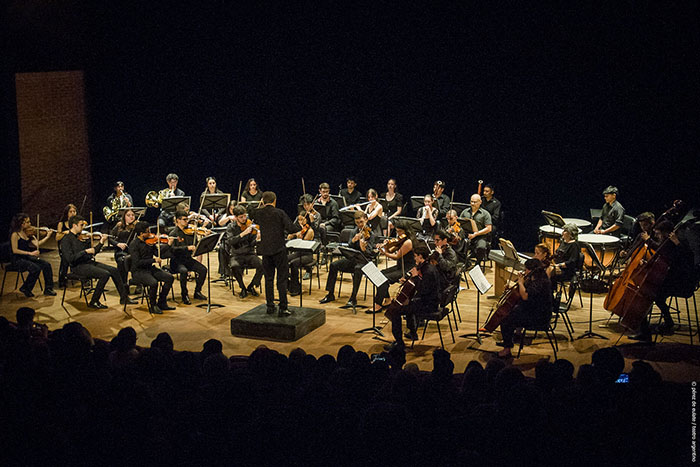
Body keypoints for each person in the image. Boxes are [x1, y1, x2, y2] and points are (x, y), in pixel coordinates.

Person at [630, 220, 696, 341]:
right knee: (656, 296)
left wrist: (675, 243)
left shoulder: (678, 245)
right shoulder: (673, 245)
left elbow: (675, 257)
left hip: (681, 284)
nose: (657, 236)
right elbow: (664, 258)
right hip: (674, 281)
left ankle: (645, 333)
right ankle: (667, 323)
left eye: (659, 234)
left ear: (666, 234)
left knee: (646, 295)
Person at [61, 215, 135, 308]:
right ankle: (94, 301)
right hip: (78, 267)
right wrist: (85, 251)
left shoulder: (80, 237)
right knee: (105, 274)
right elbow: (70, 259)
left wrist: (101, 242)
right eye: (81, 225)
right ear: (74, 225)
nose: (83, 228)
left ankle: (124, 298)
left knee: (114, 270)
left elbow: (93, 252)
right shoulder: (66, 240)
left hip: (88, 263)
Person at [384, 245, 441, 350]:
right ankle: (412, 333)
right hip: (428, 301)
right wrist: (407, 280)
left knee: (396, 311)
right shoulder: (425, 266)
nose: (414, 258)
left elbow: (423, 290)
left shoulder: (428, 271)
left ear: (420, 256)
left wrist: (414, 277)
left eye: (415, 256)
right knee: (408, 304)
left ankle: (399, 343)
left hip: (429, 305)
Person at [253, 191, 299, 316]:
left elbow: (252, 212)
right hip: (279, 250)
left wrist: (260, 205)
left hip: (266, 251)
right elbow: (291, 229)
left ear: (262, 201)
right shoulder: (279, 213)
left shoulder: (259, 213)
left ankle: (270, 306)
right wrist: (301, 223)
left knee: (268, 279)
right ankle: (283, 307)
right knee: (281, 279)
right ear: (275, 201)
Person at [496, 258, 553, 358]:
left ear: (531, 270)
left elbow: (525, 296)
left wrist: (521, 283)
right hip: (533, 311)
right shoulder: (537, 278)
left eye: (526, 269)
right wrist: (514, 286)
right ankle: (509, 340)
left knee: (505, 319)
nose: (524, 271)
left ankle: (507, 349)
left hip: (539, 317)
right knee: (510, 314)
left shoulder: (540, 282)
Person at [319, 211, 376, 308]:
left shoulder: (371, 234)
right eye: (357, 223)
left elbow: (370, 253)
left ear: (366, 220)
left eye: (361, 222)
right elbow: (350, 246)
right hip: (353, 259)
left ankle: (353, 298)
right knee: (333, 265)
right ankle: (330, 294)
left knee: (358, 269)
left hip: (365, 261)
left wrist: (363, 247)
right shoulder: (354, 231)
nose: (359, 225)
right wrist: (353, 241)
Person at [128, 221, 175, 314]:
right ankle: (153, 305)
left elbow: (158, 253)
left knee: (169, 278)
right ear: (141, 234)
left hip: (149, 269)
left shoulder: (149, 242)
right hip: (138, 271)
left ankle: (161, 302)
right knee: (154, 283)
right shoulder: (134, 244)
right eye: (147, 231)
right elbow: (137, 263)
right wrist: (153, 260)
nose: (150, 233)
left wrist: (168, 245)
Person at [371, 221, 415, 313]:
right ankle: (387, 300)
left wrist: (384, 253)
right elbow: (391, 251)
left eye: (400, 231)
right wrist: (386, 246)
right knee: (380, 274)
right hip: (400, 266)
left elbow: (396, 256)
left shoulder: (408, 242)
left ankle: (378, 304)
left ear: (406, 231)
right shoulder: (401, 240)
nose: (398, 234)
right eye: (397, 231)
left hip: (406, 269)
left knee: (384, 279)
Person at [9, 213, 56, 297]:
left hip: (26, 257)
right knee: (35, 268)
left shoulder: (28, 233)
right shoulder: (15, 234)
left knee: (46, 264)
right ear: (22, 224)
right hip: (17, 259)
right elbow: (15, 250)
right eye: (28, 222)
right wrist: (30, 253)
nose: (30, 224)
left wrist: (48, 236)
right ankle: (26, 288)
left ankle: (48, 289)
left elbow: (38, 244)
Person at [223, 205, 263, 299]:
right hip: (236, 254)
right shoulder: (231, 227)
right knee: (234, 266)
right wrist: (242, 234)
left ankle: (252, 285)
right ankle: (243, 288)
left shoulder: (250, 225)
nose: (244, 219)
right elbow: (230, 241)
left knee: (263, 265)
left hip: (249, 254)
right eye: (241, 217)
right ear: (236, 217)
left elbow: (252, 243)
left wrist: (257, 239)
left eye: (245, 216)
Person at [168, 210, 208, 304]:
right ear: (178, 220)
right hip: (176, 261)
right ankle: (184, 294)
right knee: (184, 271)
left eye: (187, 219)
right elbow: (172, 250)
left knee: (203, 270)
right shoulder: (173, 233)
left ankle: (197, 291)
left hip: (187, 259)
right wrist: (187, 248)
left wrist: (203, 239)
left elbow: (196, 245)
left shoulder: (191, 232)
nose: (187, 222)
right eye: (184, 219)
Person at [288, 210, 316, 296]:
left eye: (302, 220)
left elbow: (304, 243)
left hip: (307, 255)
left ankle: (296, 287)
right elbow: (291, 236)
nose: (300, 222)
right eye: (299, 220)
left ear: (306, 220)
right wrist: (291, 236)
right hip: (299, 253)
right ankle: (288, 283)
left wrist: (298, 236)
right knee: (283, 259)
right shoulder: (301, 229)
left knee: (294, 264)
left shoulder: (310, 231)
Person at [110, 208, 139, 288]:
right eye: (128, 215)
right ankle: (123, 284)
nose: (131, 217)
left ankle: (137, 282)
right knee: (122, 261)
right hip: (121, 252)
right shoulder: (119, 225)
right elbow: (110, 238)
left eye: (133, 215)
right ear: (124, 217)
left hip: (133, 252)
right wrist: (118, 244)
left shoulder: (137, 226)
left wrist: (139, 227)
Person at [460, 194, 493, 263]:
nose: (472, 204)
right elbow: (459, 223)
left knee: (481, 247)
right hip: (467, 235)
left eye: (475, 202)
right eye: (471, 201)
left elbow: (489, 228)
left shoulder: (485, 214)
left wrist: (476, 234)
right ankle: (463, 262)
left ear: (480, 202)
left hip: (480, 237)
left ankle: (477, 264)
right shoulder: (465, 212)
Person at [56, 203, 78, 288]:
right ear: (67, 213)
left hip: (75, 247)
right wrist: (65, 233)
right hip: (65, 248)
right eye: (70, 211)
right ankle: (62, 280)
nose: (72, 213)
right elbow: (57, 238)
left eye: (74, 211)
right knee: (65, 258)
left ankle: (83, 276)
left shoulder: (77, 223)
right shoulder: (61, 224)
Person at [316, 182, 341, 250]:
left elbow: (336, 219)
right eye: (323, 192)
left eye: (327, 192)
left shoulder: (333, 203)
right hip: (319, 223)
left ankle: (324, 248)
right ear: (320, 191)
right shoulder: (316, 202)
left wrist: (325, 223)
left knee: (322, 229)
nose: (325, 194)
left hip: (329, 224)